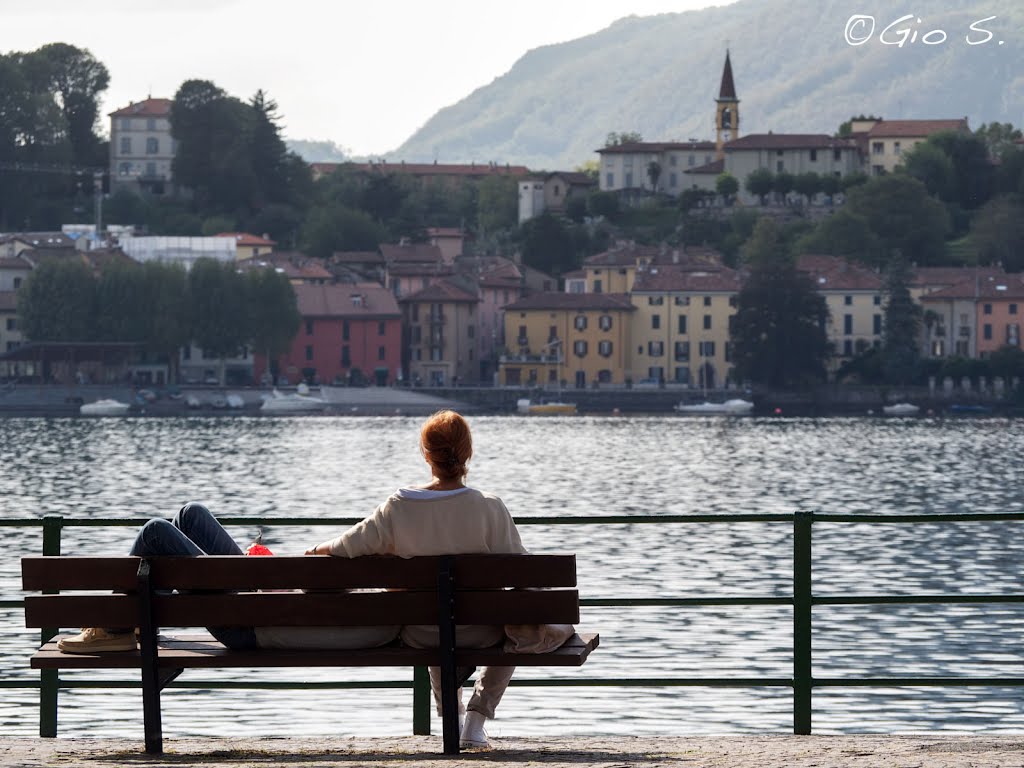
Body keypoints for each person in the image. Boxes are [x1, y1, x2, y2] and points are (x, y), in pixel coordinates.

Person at [60, 410, 572, 749]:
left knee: (159, 529)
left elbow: (347, 547)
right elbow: (522, 579)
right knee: (188, 515)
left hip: (249, 623)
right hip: (461, 629)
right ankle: (471, 722)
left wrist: (317, 554)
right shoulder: (490, 509)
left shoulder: (400, 508)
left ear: (426, 454)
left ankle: (116, 623)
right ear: (468, 454)